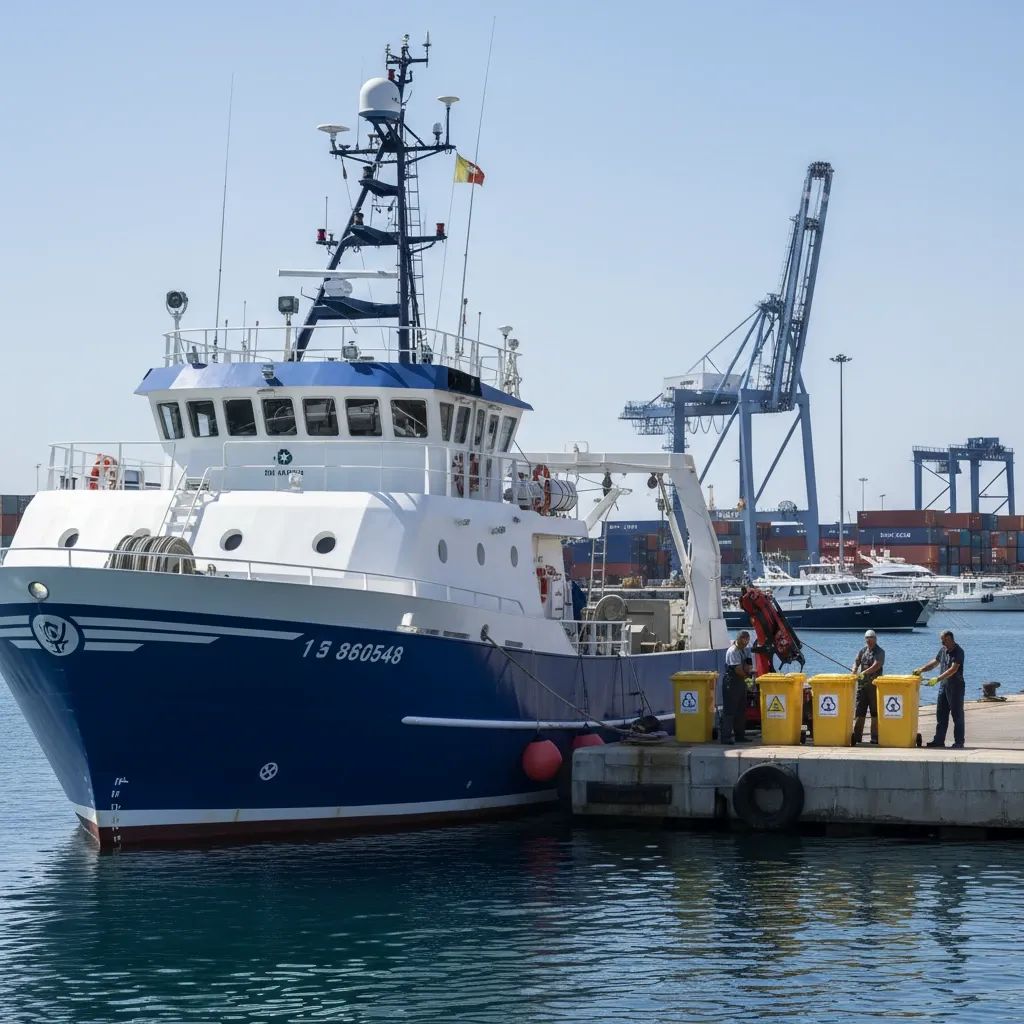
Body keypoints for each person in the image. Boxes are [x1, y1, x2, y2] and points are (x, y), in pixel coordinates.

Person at [914, 629, 966, 749]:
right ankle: (939, 740)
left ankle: (959, 742)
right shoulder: (943, 650)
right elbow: (935, 662)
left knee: (957, 715)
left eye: (945, 641)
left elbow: (953, 669)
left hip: (956, 687)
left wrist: (937, 679)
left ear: (951, 639)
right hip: (944, 685)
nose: (943, 644)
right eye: (941, 641)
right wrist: (921, 669)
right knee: (941, 714)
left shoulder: (958, 652)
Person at [851, 629, 885, 744]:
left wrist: (864, 673)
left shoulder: (880, 652)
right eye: (867, 639)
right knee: (859, 710)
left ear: (875, 639)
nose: (869, 641)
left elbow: (877, 665)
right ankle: (857, 737)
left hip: (874, 686)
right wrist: (854, 670)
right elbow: (856, 661)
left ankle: (874, 737)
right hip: (862, 687)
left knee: (875, 712)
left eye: (871, 639)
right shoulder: (862, 650)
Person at [720, 631, 751, 744]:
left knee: (741, 709)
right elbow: (738, 670)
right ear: (738, 639)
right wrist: (747, 675)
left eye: (747, 641)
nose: (745, 643)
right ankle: (725, 737)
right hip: (731, 681)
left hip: (741, 681)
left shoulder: (744, 650)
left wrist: (747, 671)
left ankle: (740, 736)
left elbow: (748, 665)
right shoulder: (733, 651)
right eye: (743, 641)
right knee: (729, 710)